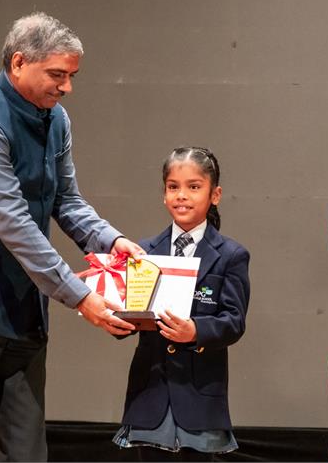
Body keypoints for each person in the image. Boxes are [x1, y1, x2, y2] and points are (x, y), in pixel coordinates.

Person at [0, 12, 140, 462]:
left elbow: (67, 200)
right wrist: (80, 296)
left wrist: (111, 241)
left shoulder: (55, 119)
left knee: (27, 453)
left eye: (72, 76)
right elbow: (16, 226)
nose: (67, 87)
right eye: (57, 75)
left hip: (26, 313)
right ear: (18, 62)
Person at [112, 147, 250, 461]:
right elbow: (130, 315)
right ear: (164, 194)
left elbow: (234, 321)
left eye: (194, 186)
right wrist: (115, 317)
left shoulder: (231, 255)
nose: (182, 195)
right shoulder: (143, 251)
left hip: (200, 396)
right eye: (173, 187)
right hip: (151, 393)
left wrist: (195, 331)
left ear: (215, 195)